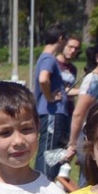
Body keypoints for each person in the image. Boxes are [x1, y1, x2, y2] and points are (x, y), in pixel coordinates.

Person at [32, 26, 73, 180]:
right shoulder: (49, 59)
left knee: (54, 152)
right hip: (51, 113)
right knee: (48, 152)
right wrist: (49, 97)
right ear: (61, 38)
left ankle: (48, 181)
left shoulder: (45, 58)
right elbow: (43, 78)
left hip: (55, 113)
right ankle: (43, 183)